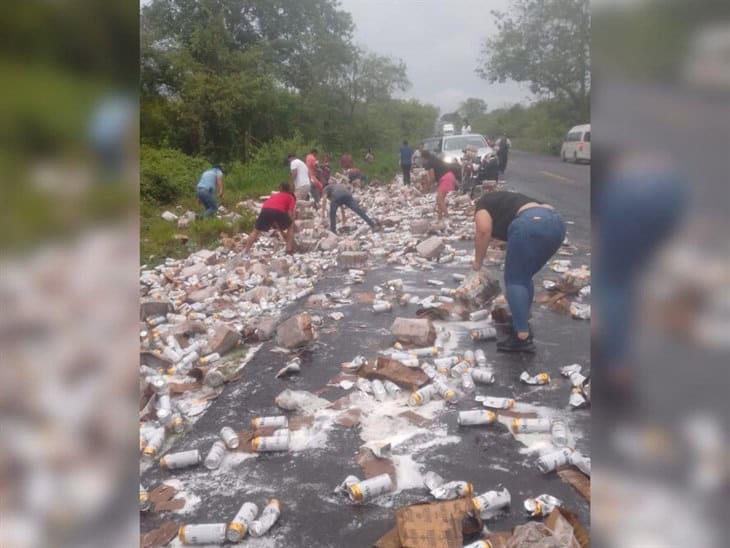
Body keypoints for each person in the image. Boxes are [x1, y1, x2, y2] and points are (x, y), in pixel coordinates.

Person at [472, 191, 566, 353]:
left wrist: (477, 262)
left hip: (529, 224)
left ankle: (522, 337)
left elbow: (483, 230)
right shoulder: (508, 201)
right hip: (556, 224)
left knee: (515, 280)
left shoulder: (482, 204)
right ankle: (521, 320)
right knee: (524, 275)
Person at [243, 182, 297, 254]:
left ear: (280, 189)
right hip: (278, 211)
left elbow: (275, 219)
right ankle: (289, 250)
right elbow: (290, 213)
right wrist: (291, 223)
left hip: (265, 210)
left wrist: (281, 231)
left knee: (256, 231)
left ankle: (246, 251)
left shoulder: (275, 196)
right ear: (289, 190)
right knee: (290, 226)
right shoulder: (290, 197)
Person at [422, 150, 457, 220]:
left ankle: (447, 217)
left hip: (445, 179)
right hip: (449, 176)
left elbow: (432, 177)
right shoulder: (434, 158)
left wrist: (428, 186)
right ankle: (439, 218)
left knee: (440, 199)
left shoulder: (429, 163)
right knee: (439, 199)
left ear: (423, 158)